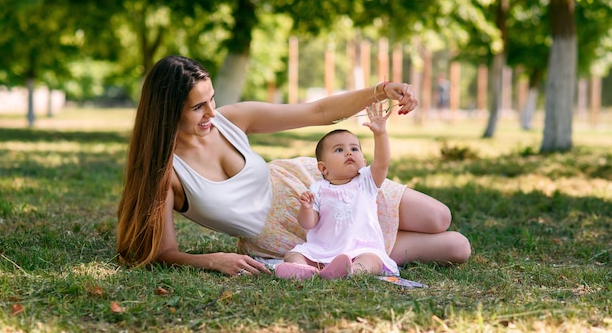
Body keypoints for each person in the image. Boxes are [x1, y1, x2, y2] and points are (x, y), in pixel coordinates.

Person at [116, 55, 470, 276]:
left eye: (212, 100)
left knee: (439, 217)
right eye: (198, 108)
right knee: (456, 247)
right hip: (285, 236)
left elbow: (317, 112)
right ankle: (361, 251)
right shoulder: (166, 176)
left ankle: (368, 247)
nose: (212, 114)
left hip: (320, 186)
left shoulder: (232, 119)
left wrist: (381, 89)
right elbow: (163, 253)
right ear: (167, 111)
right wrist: (212, 259)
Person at [275, 102, 399, 280]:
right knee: (293, 254)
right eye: (339, 150)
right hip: (322, 250)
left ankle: (351, 271)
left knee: (373, 260)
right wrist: (306, 208)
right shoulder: (318, 189)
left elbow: (382, 162)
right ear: (323, 168)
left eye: (354, 149)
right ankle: (303, 270)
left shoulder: (366, 181)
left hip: (360, 249)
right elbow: (308, 223)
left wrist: (380, 133)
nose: (349, 153)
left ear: (363, 161)